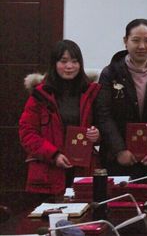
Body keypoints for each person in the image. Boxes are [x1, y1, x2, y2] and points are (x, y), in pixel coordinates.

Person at [19, 40, 102, 195]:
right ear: (54, 64)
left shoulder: (91, 93)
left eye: (74, 61)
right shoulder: (39, 95)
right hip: (49, 170)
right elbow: (27, 134)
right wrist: (54, 155)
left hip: (83, 170)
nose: (69, 66)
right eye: (63, 61)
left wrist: (97, 135)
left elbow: (104, 125)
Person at [96, 18, 147, 176]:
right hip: (117, 159)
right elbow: (103, 115)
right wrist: (119, 150)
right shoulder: (110, 74)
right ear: (125, 41)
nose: (142, 46)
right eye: (136, 40)